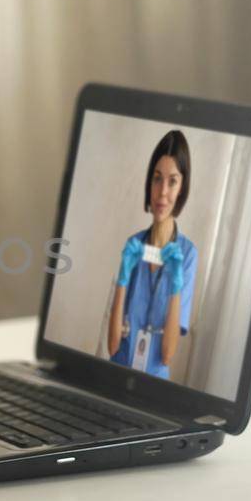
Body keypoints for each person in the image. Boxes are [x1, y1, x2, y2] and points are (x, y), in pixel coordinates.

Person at [99, 130, 200, 379]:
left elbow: (167, 355)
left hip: (154, 385)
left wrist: (175, 287)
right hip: (117, 374)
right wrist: (122, 281)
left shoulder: (187, 255)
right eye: (157, 179)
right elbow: (112, 346)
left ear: (182, 187)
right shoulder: (134, 245)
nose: (162, 192)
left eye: (172, 181)